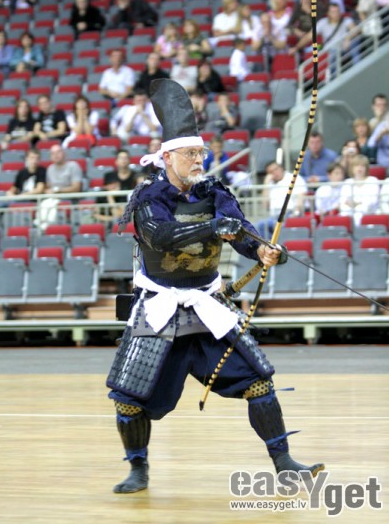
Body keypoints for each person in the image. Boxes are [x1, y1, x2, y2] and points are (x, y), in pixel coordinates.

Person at [106, 78, 323, 494]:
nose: (198, 160)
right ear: (167, 157)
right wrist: (211, 227)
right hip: (160, 308)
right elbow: (161, 237)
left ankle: (284, 465)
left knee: (259, 382)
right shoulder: (148, 197)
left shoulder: (215, 192)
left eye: (201, 153)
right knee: (128, 399)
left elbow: (240, 232)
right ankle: (138, 469)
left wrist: (261, 250)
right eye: (190, 153)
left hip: (208, 306)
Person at [256, 160, 307, 238]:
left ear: (281, 168)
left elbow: (301, 199)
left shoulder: (294, 178)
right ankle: (271, 244)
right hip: (273, 216)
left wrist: (295, 214)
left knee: (264, 225)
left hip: (290, 214)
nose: (275, 173)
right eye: (271, 172)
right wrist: (266, 184)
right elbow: (265, 205)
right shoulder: (270, 183)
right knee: (257, 227)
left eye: (276, 169)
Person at [95, 150, 137, 222]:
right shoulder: (109, 176)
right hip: (109, 209)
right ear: (116, 161)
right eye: (121, 158)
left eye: (126, 158)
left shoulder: (135, 176)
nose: (123, 160)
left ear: (129, 160)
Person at [339, 154, 380, 225]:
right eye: (357, 165)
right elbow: (343, 201)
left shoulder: (373, 180)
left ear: (366, 168)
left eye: (362, 166)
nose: (359, 168)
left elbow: (372, 202)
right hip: (349, 213)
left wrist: (355, 204)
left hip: (369, 214)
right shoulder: (347, 182)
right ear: (352, 168)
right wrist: (358, 203)